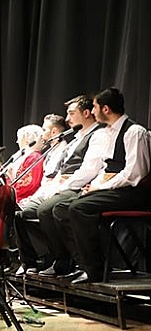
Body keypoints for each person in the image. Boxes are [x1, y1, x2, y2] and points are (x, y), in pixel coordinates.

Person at [61, 88, 150, 284]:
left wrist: (101, 188)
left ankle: (94, 270)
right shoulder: (109, 132)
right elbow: (106, 167)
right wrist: (94, 185)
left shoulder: (134, 132)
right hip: (114, 188)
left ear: (106, 109)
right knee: (65, 206)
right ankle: (83, 263)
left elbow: (134, 173)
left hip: (132, 192)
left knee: (79, 208)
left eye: (94, 107)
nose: (92, 112)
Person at [13, 96, 103, 275]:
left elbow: (88, 170)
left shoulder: (97, 135)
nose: (68, 119)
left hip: (80, 187)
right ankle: (35, 260)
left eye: (71, 113)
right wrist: (48, 190)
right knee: (20, 213)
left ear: (86, 113)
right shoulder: (76, 138)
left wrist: (59, 188)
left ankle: (67, 261)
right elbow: (60, 172)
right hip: (63, 186)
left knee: (47, 210)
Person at [10, 124, 44, 205]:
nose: (17, 141)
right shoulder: (23, 156)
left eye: (19, 138)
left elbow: (29, 184)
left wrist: (10, 191)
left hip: (23, 198)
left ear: (27, 139)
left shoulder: (34, 157)